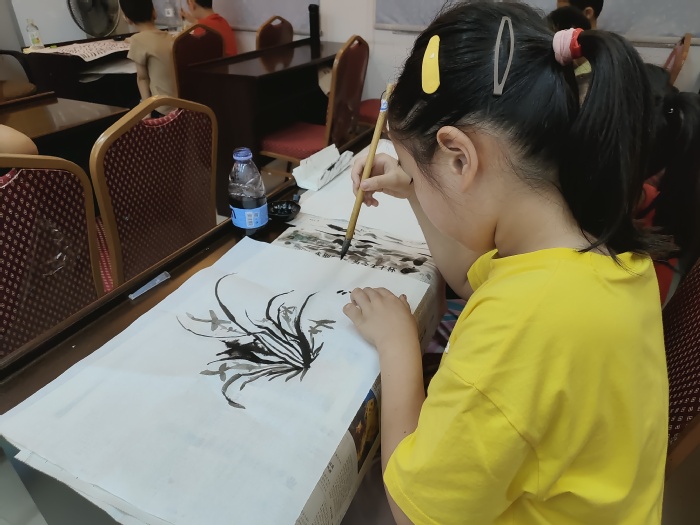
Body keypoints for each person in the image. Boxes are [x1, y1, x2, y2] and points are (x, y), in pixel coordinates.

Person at [345, 2, 667, 524]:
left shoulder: (522, 327)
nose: (410, 179)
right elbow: (470, 282)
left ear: (459, 158)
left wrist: (399, 343)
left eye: (411, 166)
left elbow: (410, 510)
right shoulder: (595, 248)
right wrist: (416, 189)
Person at [120, 0, 177, 116]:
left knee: (126, 104)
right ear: (154, 12)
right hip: (180, 104)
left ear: (127, 19)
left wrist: (147, 113)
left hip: (162, 107)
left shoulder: (137, 40)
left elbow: (143, 78)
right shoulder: (169, 37)